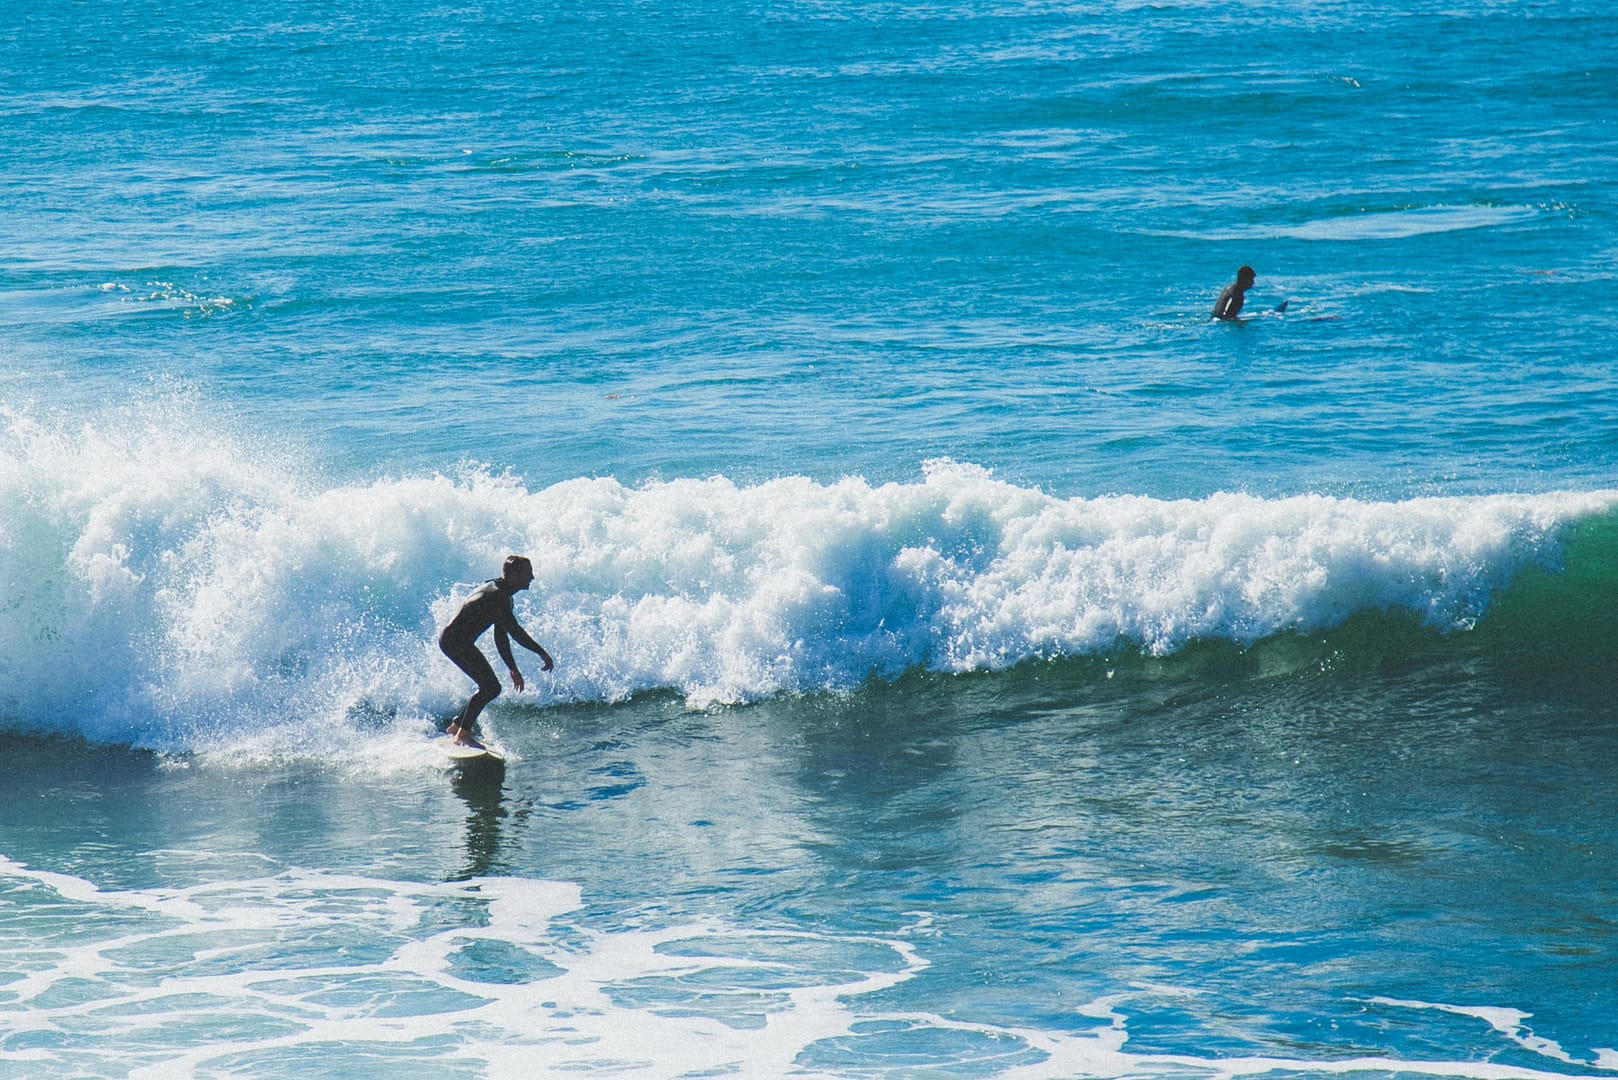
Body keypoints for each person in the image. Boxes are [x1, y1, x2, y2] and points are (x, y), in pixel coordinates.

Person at [439, 555, 554, 747]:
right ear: (514, 576)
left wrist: (512, 667)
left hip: (458, 641)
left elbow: (501, 635)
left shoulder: (503, 594)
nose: (532, 577)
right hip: (455, 641)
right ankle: (462, 735)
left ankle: (456, 726)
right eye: (528, 573)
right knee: (490, 687)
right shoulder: (498, 596)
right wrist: (542, 652)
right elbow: (515, 632)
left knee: (489, 686)